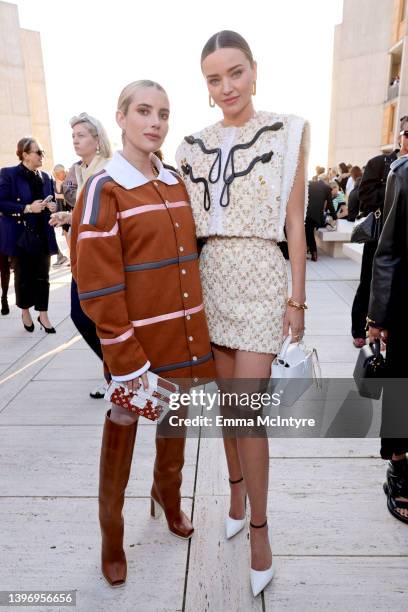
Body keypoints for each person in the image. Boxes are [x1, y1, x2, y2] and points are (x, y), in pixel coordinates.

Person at [176, 30, 308, 597]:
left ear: (254, 70)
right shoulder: (188, 145)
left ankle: (260, 530)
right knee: (228, 410)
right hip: (209, 279)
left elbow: (296, 223)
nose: (226, 86)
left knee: (248, 414)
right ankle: (234, 488)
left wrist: (296, 299)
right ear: (205, 86)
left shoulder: (288, 130)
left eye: (235, 72)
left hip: (259, 276)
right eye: (214, 78)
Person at [69, 80, 215, 588]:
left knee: (177, 422)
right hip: (134, 344)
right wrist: (125, 356)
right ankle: (112, 534)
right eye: (145, 112)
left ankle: (167, 498)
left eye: (164, 113)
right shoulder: (103, 186)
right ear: (122, 117)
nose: (155, 122)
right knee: (123, 422)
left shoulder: (174, 180)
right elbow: (97, 283)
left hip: (182, 337)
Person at [50, 113, 111, 398]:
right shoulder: (83, 170)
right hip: (82, 257)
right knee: (83, 317)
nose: (75, 140)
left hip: (102, 259)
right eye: (73, 136)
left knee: (94, 319)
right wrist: (67, 215)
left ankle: (117, 374)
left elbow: (105, 213)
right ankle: (116, 372)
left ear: (97, 140)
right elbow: (87, 212)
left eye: (82, 135)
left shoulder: (107, 170)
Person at [367, 138, 408, 524]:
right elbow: (389, 250)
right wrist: (377, 317)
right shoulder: (403, 174)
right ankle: (398, 467)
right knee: (400, 390)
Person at [350, 118, 406, 348]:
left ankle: (388, 328)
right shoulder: (381, 163)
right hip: (380, 234)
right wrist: (396, 188)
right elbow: (365, 196)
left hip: (402, 237)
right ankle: (360, 328)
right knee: (369, 282)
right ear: (400, 136)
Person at [0, 137, 58, 332]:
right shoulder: (9, 174)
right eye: (38, 152)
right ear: (25, 155)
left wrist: (51, 207)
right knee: (23, 277)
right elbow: (2, 203)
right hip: (21, 236)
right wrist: (27, 208)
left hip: (43, 233)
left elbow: (51, 205)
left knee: (43, 276)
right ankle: (25, 311)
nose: (42, 156)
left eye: (42, 152)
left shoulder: (47, 177)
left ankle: (43, 314)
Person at [306, 177, 337, 261]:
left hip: (305, 213)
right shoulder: (327, 188)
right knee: (309, 234)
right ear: (326, 181)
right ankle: (313, 253)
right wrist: (335, 217)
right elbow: (330, 204)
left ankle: (311, 252)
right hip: (316, 215)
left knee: (308, 233)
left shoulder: (309, 184)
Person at [52, 164, 69, 267]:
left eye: (62, 172)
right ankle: (70, 258)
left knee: (70, 235)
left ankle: (72, 258)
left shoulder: (68, 182)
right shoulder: (53, 183)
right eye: (58, 173)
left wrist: (58, 195)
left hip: (68, 211)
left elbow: (69, 197)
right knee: (66, 236)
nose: (60, 174)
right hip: (59, 212)